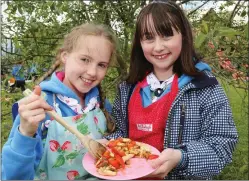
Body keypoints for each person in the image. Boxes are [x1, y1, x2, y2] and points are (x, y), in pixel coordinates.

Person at [105, 1, 238, 180]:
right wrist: (106, 144)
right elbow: (120, 133)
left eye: (167, 35)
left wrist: (181, 158)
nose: (158, 47)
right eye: (149, 38)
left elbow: (222, 146)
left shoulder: (205, 87)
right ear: (140, 43)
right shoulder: (128, 88)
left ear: (183, 35)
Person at [2, 23, 117, 180]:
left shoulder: (102, 103)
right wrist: (26, 132)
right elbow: (11, 176)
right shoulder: (38, 105)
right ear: (65, 56)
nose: (92, 72)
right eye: (84, 59)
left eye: (101, 65)